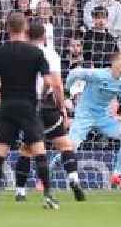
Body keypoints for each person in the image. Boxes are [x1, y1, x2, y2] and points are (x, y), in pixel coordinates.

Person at [0, 11, 57, 210]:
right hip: (28, 106)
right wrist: (41, 94)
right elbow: (49, 82)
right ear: (25, 28)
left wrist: (4, 87)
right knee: (39, 150)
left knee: (0, 151)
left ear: (7, 29)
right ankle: (48, 196)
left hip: (7, 106)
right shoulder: (35, 52)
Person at [21, 21, 84, 201]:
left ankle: (20, 190)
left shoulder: (22, 53)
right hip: (49, 106)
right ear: (44, 37)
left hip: (28, 105)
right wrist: (62, 106)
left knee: (27, 149)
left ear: (27, 35)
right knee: (65, 145)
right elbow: (56, 84)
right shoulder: (51, 54)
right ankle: (73, 178)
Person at [55, 52, 121, 191]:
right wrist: (66, 91)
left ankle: (117, 175)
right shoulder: (98, 74)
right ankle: (45, 177)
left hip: (103, 117)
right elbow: (75, 73)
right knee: (70, 147)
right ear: (113, 62)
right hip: (85, 115)